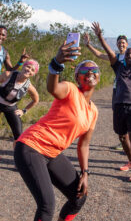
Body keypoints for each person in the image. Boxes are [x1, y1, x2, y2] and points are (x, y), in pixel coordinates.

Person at [14, 40, 99, 221]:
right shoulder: (69, 89)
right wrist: (56, 64)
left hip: (52, 153)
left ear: (98, 77)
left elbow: (84, 145)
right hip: (31, 147)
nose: (90, 73)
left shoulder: (93, 111)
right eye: (84, 71)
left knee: (79, 196)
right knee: (47, 206)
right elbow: (52, 87)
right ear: (77, 78)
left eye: (94, 71)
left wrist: (85, 173)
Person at [91, 21, 131, 182]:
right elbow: (108, 53)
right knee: (122, 137)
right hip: (118, 106)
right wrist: (100, 36)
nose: (130, 55)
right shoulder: (118, 67)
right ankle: (130, 161)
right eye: (128, 54)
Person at [84, 30, 131, 151]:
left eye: (123, 42)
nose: (121, 44)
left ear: (127, 44)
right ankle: (124, 141)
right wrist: (88, 45)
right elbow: (99, 55)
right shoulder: (115, 57)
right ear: (116, 45)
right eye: (119, 43)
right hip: (117, 90)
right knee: (119, 115)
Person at [0, 59, 39, 146]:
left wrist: (24, 111)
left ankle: (17, 157)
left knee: (19, 136)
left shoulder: (29, 86)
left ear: (33, 74)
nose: (29, 70)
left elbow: (36, 100)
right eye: (28, 66)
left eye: (32, 70)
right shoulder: (8, 75)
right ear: (23, 66)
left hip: (10, 107)